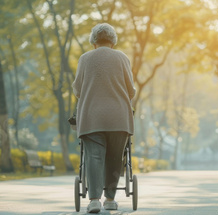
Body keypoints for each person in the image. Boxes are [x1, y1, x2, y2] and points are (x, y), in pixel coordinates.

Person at [72, 23, 136, 214]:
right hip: (119, 118)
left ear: (93, 42)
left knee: (94, 156)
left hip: (92, 117)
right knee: (116, 157)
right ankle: (110, 199)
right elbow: (131, 91)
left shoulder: (85, 58)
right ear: (113, 42)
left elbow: (77, 89)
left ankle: (93, 200)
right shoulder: (122, 58)